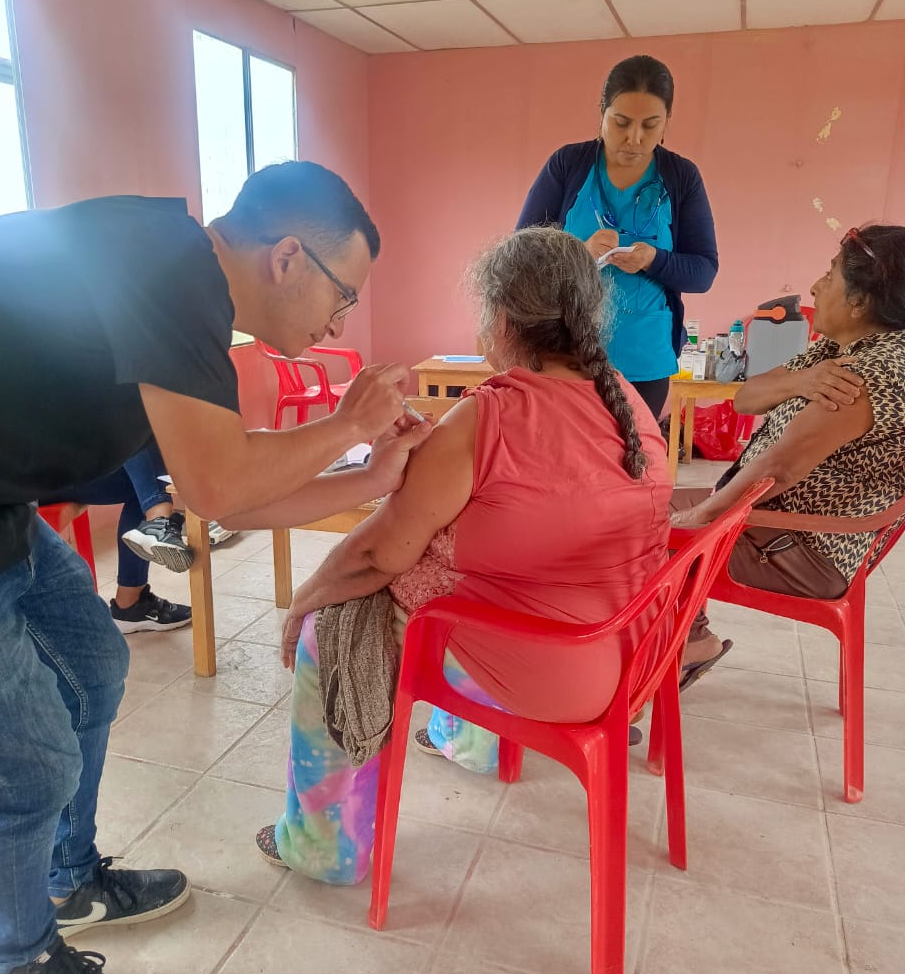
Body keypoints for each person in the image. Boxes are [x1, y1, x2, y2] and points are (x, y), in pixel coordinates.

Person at [0, 160, 431, 974]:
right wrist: (350, 426)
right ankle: (13, 967)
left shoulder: (180, 279)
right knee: (23, 769)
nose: (339, 322)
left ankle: (67, 879)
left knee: (93, 664)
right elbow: (219, 485)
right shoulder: (171, 268)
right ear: (288, 257)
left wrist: (370, 475)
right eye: (343, 295)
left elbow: (225, 485)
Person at [254, 227, 672, 881]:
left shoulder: (488, 417)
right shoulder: (629, 405)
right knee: (475, 573)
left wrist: (304, 600)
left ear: (500, 319)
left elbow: (377, 555)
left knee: (328, 631)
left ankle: (321, 847)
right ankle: (470, 743)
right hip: (625, 654)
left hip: (544, 665)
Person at [672, 224, 905, 685]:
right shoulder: (837, 352)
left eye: (830, 275)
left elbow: (779, 469)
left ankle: (670, 652)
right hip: (767, 523)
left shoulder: (874, 372)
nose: (815, 287)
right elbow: (746, 398)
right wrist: (802, 380)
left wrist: (702, 516)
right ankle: (687, 638)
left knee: (641, 536)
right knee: (637, 509)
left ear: (859, 301)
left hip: (802, 548)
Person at [516, 55, 718, 420]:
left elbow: (703, 273)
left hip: (644, 360)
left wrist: (654, 260)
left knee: (631, 453)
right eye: (621, 122)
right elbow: (520, 258)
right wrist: (578, 252)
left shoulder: (681, 177)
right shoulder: (568, 165)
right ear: (602, 113)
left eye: (650, 125)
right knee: (566, 451)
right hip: (566, 355)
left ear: (667, 121)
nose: (634, 139)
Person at [43, 443, 195, 634]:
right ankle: (158, 520)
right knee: (141, 446)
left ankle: (130, 603)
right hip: (30, 477)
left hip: (56, 465)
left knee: (143, 479)